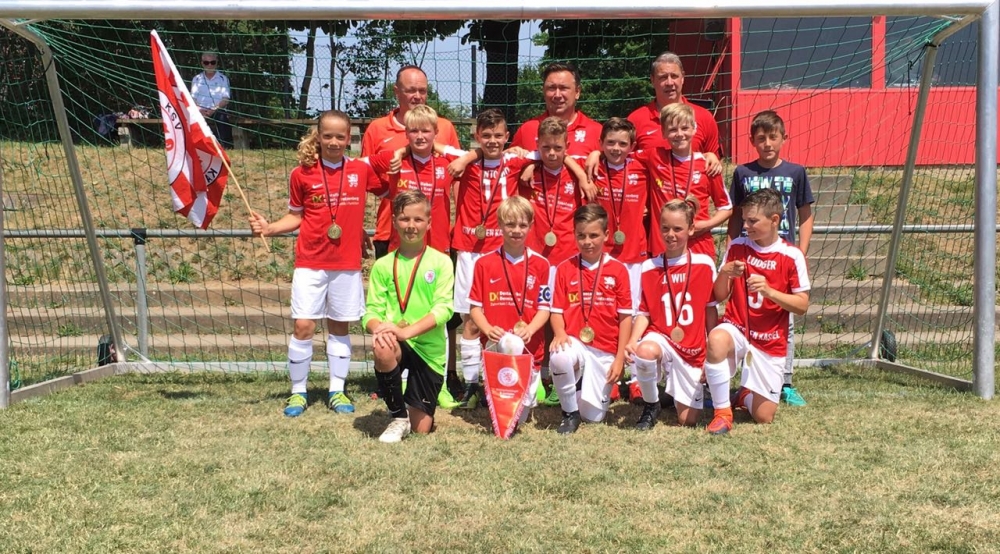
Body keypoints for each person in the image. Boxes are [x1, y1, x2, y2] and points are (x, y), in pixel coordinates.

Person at [249, 110, 385, 417]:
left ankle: (337, 390)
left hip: (346, 263)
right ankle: (298, 392)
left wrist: (359, 228)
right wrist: (269, 228)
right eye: (328, 136)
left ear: (349, 138)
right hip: (310, 261)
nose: (334, 142)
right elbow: (295, 216)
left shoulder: (360, 169)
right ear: (318, 137)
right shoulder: (302, 173)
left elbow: (389, 188)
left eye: (340, 136)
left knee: (339, 327)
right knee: (303, 326)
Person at [704, 188, 811, 435]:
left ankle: (744, 395)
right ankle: (722, 413)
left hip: (769, 338)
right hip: (738, 328)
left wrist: (770, 292)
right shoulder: (737, 247)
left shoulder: (792, 255)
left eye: (752, 221)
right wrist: (724, 273)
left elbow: (802, 306)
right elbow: (719, 295)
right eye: (744, 220)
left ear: (774, 220)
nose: (745, 226)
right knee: (717, 338)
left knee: (764, 417)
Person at [727, 110, 815, 407]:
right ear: (752, 141)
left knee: (783, 318)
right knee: (746, 314)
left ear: (783, 138)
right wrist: (730, 247)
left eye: (773, 137)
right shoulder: (743, 173)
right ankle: (744, 379)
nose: (767, 143)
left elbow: (805, 213)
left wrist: (801, 249)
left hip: (782, 255)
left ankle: (785, 381)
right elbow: (735, 216)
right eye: (761, 138)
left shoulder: (796, 172)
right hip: (749, 254)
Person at [363, 190, 455, 443]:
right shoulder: (383, 265)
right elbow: (371, 312)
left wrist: (405, 332)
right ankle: (398, 416)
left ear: (429, 223)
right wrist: (379, 328)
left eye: (418, 219)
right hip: (396, 341)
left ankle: (413, 407)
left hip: (428, 349)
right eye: (404, 219)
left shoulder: (442, 262)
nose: (411, 226)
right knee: (382, 345)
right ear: (394, 221)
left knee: (421, 428)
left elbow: (444, 309)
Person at [625, 199, 719, 430]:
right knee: (645, 351)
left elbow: (710, 309)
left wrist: (711, 349)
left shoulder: (704, 264)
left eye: (678, 229)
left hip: (692, 348)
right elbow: (644, 312)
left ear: (691, 229)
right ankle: (651, 405)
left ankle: (671, 392)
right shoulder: (650, 267)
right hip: (662, 337)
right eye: (665, 228)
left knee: (688, 420)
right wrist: (633, 341)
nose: (670, 234)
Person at [361, 65, 461, 260]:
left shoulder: (444, 127)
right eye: (411, 90)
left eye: (422, 91)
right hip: (391, 232)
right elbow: (362, 176)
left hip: (437, 235)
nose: (417, 96)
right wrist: (385, 192)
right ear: (396, 91)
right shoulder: (377, 128)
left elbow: (458, 177)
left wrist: (459, 221)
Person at [468, 196, 551, 430]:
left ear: (531, 226)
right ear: (499, 225)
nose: (516, 230)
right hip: (496, 346)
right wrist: (487, 329)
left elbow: (544, 309)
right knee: (505, 416)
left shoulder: (541, 264)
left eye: (522, 225)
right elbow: (475, 308)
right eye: (510, 224)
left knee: (519, 415)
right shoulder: (484, 263)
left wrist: (531, 329)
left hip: (530, 347)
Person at [548, 204, 633, 434]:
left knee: (594, 417)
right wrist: (559, 333)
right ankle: (569, 413)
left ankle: (577, 390)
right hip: (575, 341)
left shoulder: (619, 270)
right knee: (559, 356)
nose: (587, 242)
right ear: (574, 235)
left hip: (605, 349)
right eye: (581, 236)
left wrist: (619, 359)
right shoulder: (565, 268)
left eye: (594, 235)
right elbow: (556, 311)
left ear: (606, 234)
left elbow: (625, 318)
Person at [590, 117, 649, 403]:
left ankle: (636, 377)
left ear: (632, 146)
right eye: (610, 143)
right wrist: (592, 155)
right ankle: (610, 375)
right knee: (605, 315)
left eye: (623, 143)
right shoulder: (593, 168)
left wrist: (709, 155)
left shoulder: (643, 165)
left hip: (635, 254)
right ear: (601, 143)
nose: (616, 148)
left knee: (635, 315)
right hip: (603, 255)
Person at [639, 103, 732, 260]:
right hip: (663, 247)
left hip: (698, 248)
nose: (679, 134)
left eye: (684, 128)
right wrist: (597, 154)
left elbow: (726, 207)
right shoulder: (654, 157)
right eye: (673, 129)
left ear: (694, 129)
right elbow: (619, 156)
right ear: (663, 133)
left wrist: (706, 225)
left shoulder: (707, 165)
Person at [367, 105, 454, 255]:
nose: (420, 136)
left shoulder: (447, 163)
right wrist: (385, 190)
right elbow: (355, 166)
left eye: (425, 131)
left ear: (436, 133)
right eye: (414, 131)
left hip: (438, 247)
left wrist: (406, 149)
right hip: (402, 247)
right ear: (406, 133)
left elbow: (473, 156)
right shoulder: (394, 159)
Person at [627, 51, 721, 174]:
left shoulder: (704, 117)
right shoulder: (636, 120)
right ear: (652, 80)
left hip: (692, 186)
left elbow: (714, 165)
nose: (669, 83)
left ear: (683, 78)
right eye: (663, 77)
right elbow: (623, 163)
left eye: (674, 76)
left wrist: (711, 157)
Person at [510, 62, 602, 157]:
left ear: (577, 92)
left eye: (563, 88)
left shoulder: (597, 132)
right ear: (543, 91)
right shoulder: (526, 130)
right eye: (552, 88)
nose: (557, 95)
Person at [190, 51, 233, 149]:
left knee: (222, 118)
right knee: (190, 119)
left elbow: (225, 99)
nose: (209, 65)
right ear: (202, 63)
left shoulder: (223, 79)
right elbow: (192, 99)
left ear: (217, 63)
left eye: (212, 62)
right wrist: (199, 109)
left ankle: (225, 147)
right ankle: (195, 147)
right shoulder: (196, 79)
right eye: (206, 63)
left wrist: (213, 109)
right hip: (200, 110)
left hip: (217, 109)